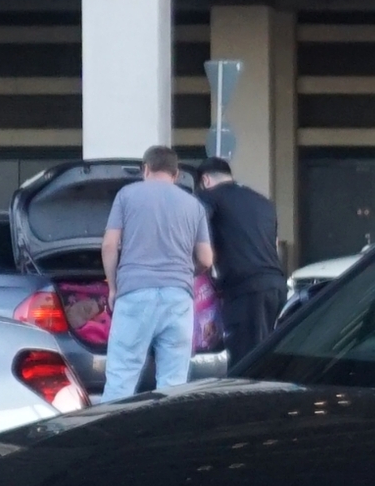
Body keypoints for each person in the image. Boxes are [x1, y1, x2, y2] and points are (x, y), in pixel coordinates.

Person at [98, 144, 212, 405]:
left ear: (145, 169)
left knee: (121, 379)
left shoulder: (127, 195)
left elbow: (109, 245)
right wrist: (184, 275)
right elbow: (206, 258)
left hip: (134, 294)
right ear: (176, 174)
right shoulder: (194, 205)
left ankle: (113, 441)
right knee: (173, 385)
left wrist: (113, 287)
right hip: (179, 299)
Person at [196, 156, 286, 366]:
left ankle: (248, 399)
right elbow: (274, 242)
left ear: (206, 180)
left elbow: (198, 233)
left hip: (246, 291)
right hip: (276, 286)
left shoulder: (209, 197)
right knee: (266, 354)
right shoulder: (263, 202)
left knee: (245, 361)